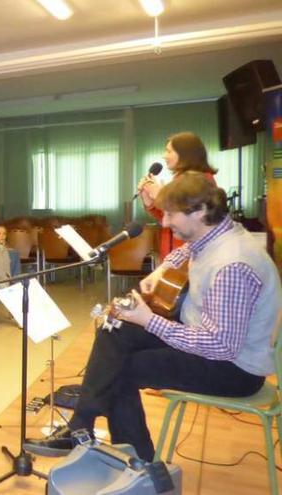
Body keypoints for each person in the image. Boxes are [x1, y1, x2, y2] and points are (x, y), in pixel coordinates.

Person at [25, 172, 282, 461]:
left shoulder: (232, 265)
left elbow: (220, 346)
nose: (165, 222)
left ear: (199, 211)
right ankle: (80, 427)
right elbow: (188, 249)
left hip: (235, 369)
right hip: (211, 342)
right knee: (116, 327)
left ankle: (137, 464)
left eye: (171, 214)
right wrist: (160, 271)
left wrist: (149, 320)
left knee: (121, 370)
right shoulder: (217, 232)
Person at [138, 131, 217, 259]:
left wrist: (160, 195)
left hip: (192, 258)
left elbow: (190, 216)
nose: (164, 156)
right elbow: (168, 218)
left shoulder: (203, 180)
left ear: (185, 154)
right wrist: (150, 202)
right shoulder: (179, 180)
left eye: (169, 151)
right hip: (174, 256)